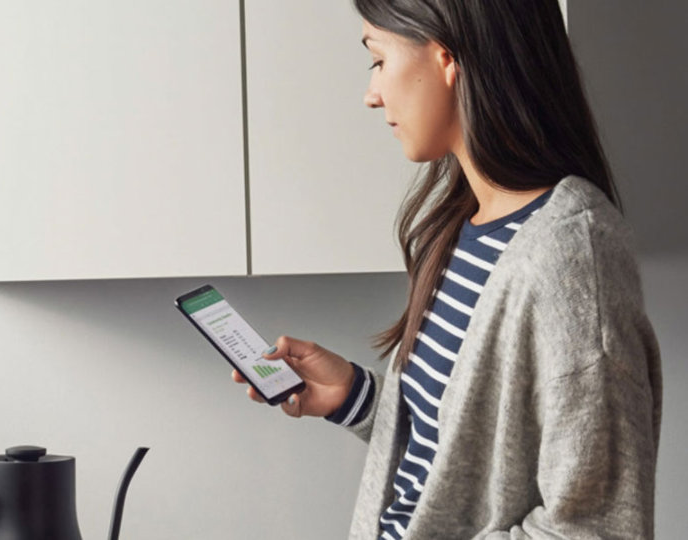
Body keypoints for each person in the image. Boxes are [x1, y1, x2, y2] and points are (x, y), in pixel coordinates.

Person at [232, 0, 663, 538]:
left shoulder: (574, 254)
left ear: (446, 57)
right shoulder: (467, 224)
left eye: (378, 59)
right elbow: (458, 460)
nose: (371, 93)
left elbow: (595, 529)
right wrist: (356, 398)